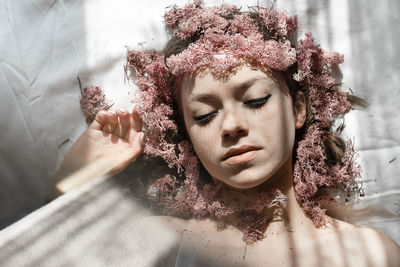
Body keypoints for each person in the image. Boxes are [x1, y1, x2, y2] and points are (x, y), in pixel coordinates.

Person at [53, 1, 400, 266]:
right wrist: (74, 176)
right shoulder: (158, 238)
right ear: (187, 137)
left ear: (297, 109)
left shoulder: (369, 254)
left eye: (255, 99)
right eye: (204, 116)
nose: (232, 126)